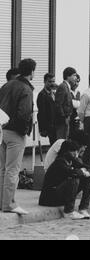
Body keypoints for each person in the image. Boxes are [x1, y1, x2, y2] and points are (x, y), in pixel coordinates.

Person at [0, 58, 37, 215]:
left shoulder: (7, 85)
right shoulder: (26, 89)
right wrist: (24, 131)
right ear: (32, 71)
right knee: (12, 170)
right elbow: (24, 114)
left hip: (2, 130)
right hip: (16, 132)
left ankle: (2, 202)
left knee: (3, 169)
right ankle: (9, 203)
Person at [39, 140, 90, 220]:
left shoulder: (71, 161)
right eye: (72, 151)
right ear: (65, 152)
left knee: (88, 179)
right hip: (50, 198)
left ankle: (83, 209)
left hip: (61, 196)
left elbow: (89, 168)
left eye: (76, 151)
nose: (75, 154)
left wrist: (88, 172)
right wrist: (82, 171)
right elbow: (71, 173)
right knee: (74, 179)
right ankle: (68, 211)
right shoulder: (59, 162)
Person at [55, 67, 78, 139]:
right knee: (62, 141)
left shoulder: (67, 87)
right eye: (74, 75)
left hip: (66, 119)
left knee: (65, 139)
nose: (76, 78)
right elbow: (58, 104)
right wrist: (64, 118)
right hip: (63, 121)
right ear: (68, 76)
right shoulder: (63, 86)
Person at [37, 73, 58, 146]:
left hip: (57, 125)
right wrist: (42, 129)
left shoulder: (54, 93)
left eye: (53, 81)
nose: (52, 84)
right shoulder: (42, 95)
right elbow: (41, 113)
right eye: (50, 82)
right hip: (50, 126)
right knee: (54, 146)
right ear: (45, 82)